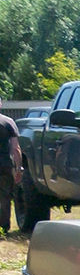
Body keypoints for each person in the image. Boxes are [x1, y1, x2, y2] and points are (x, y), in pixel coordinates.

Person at [0, 101, 21, 235]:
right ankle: (3, 227)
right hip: (4, 165)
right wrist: (19, 168)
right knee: (4, 197)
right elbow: (15, 148)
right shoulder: (8, 122)